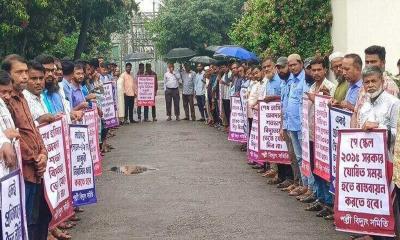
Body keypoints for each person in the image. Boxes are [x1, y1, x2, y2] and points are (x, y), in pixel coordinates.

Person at [1, 54, 50, 240]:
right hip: (23, 172)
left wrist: (43, 153)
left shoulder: (22, 98)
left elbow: (34, 131)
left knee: (40, 218)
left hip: (36, 169)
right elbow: (14, 136)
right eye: (19, 72)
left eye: (25, 72)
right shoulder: (6, 101)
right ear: (8, 74)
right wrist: (34, 158)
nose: (24, 76)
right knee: (25, 222)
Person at [304, 57, 336, 219]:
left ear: (325, 70)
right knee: (315, 170)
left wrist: (323, 98)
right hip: (310, 134)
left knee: (324, 170)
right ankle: (320, 198)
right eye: (313, 70)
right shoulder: (311, 86)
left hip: (323, 137)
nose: (316, 73)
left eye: (319, 70)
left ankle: (329, 203)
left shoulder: (330, 87)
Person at [285, 54, 309, 197]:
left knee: (304, 158)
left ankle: (308, 187)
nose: (292, 67)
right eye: (290, 65)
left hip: (301, 125)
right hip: (291, 124)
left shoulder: (305, 79)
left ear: (300, 64)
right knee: (298, 157)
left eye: (294, 65)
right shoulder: (291, 80)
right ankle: (303, 184)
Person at [23, 60, 55, 125]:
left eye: (41, 78)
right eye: (33, 78)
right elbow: (23, 129)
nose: (38, 82)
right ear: (26, 79)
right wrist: (39, 120)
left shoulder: (41, 96)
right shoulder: (23, 99)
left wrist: (55, 117)